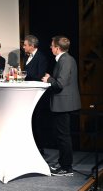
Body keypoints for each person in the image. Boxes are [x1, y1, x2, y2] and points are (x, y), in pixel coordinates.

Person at [42, 36, 81, 176]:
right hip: (62, 103)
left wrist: (49, 79)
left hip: (64, 104)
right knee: (60, 135)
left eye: (52, 46)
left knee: (63, 136)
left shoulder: (65, 60)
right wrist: (51, 78)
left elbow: (60, 84)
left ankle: (66, 168)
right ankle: (63, 162)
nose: (50, 48)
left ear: (58, 48)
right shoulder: (64, 59)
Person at [22, 35, 48, 155]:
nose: (23, 47)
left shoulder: (41, 57)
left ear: (32, 46)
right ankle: (30, 146)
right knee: (29, 120)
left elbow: (40, 76)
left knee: (37, 121)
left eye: (25, 45)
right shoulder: (26, 56)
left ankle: (39, 148)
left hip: (37, 93)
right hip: (28, 93)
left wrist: (25, 74)